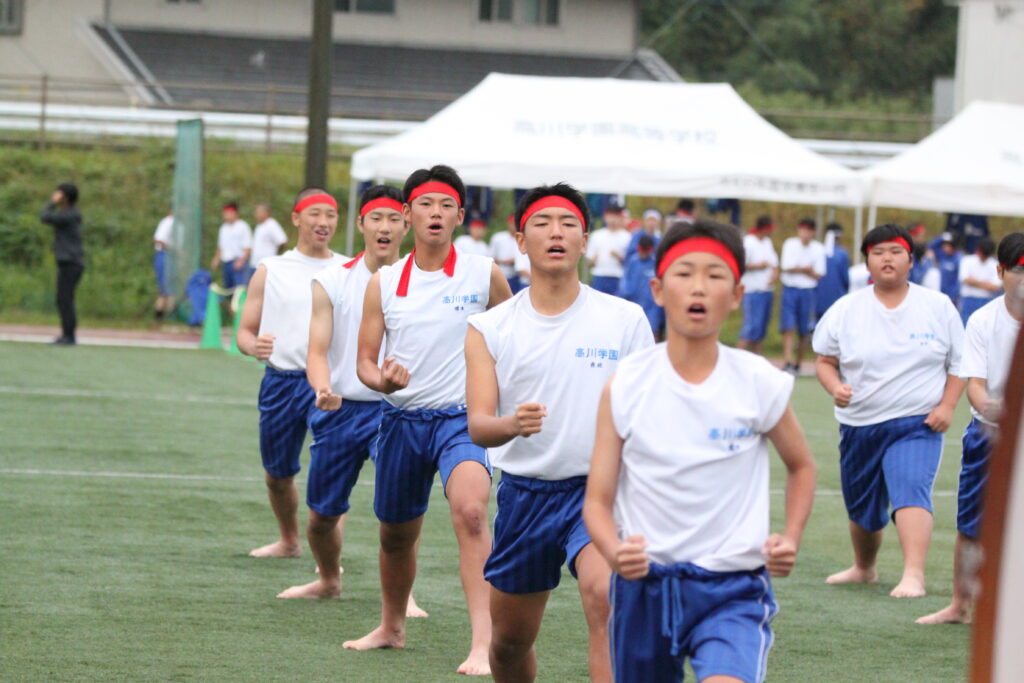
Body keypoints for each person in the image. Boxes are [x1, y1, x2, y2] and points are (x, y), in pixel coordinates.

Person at [583, 219, 817, 682]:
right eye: (685, 272)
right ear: (657, 289)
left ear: (736, 295)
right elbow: (596, 500)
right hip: (645, 588)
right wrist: (613, 551)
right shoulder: (626, 384)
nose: (699, 287)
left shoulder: (758, 381)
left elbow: (802, 466)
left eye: (715, 275)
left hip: (733, 588)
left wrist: (790, 537)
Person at [465, 184, 653, 681]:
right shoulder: (490, 327)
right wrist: (512, 424)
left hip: (601, 493)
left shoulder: (625, 320)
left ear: (584, 241)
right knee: (508, 644)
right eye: (542, 223)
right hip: (525, 497)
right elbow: (479, 426)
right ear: (520, 241)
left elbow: (647, 415)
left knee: (605, 597)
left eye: (568, 224)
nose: (556, 233)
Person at [344, 165, 513, 675]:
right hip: (401, 421)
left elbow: (517, 337)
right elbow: (365, 362)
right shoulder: (384, 282)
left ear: (459, 216)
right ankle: (391, 627)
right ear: (407, 214)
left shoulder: (484, 273)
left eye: (445, 206)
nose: (435, 214)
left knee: (472, 512)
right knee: (395, 533)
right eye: (425, 205)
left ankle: (484, 645)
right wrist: (382, 381)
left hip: (462, 421)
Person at [279, 184, 426, 615]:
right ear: (361, 224)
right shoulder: (332, 281)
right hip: (340, 410)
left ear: (406, 225)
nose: (385, 227)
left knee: (400, 516)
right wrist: (322, 387)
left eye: (394, 219)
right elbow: (317, 350)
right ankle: (328, 580)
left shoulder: (423, 284)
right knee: (321, 517)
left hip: (396, 412)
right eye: (376, 218)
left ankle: (403, 596)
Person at [813, 223, 964, 598]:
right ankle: (864, 568)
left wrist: (947, 405)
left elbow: (960, 363)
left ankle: (914, 575)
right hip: (860, 423)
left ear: (911, 261)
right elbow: (825, 361)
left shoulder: (937, 306)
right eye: (877, 252)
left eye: (896, 252)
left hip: (917, 422)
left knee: (910, 488)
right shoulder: (846, 309)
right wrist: (835, 387)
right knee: (862, 507)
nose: (887, 259)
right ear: (867, 262)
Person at [917, 232, 1023, 624]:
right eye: (1019, 270)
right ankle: (960, 605)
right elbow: (975, 384)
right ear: (1000, 272)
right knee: (971, 525)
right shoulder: (982, 320)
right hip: (990, 433)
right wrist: (992, 407)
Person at [236, 189, 346, 559]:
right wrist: (253, 346)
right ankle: (289, 541)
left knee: (331, 472)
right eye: (315, 213)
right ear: (296, 219)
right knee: (277, 475)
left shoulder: (348, 269)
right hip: (280, 383)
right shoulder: (271, 269)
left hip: (328, 384)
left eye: (331, 214)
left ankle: (328, 561)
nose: (324, 222)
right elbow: (244, 332)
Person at [40, 183, 85, 345]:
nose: (56, 194)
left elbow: (44, 217)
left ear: (65, 197)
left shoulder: (69, 215)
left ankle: (69, 336)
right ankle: (67, 334)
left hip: (71, 262)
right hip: (69, 261)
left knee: (64, 299)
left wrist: (52, 203)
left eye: (59, 193)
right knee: (64, 299)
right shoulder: (68, 213)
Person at [779, 218, 825, 374]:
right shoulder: (790, 244)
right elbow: (786, 267)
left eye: (808, 231)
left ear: (813, 232)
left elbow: (819, 273)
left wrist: (800, 269)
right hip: (790, 289)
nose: (804, 234)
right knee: (788, 325)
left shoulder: (818, 249)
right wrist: (806, 269)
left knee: (804, 329)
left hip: (807, 291)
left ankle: (798, 362)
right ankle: (788, 360)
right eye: (802, 230)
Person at [737, 215, 779, 355]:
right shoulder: (748, 242)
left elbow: (774, 263)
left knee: (761, 328)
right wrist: (757, 266)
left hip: (766, 290)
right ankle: (738, 356)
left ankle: (756, 358)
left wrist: (774, 274)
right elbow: (741, 265)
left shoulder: (767, 242)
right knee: (751, 327)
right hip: (752, 291)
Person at [618, 234, 664, 338]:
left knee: (653, 333)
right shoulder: (633, 261)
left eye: (645, 251)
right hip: (634, 304)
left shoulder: (655, 264)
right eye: (641, 250)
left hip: (652, 307)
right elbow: (625, 283)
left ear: (650, 250)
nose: (642, 254)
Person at [586, 203, 631, 295]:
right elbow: (588, 262)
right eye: (610, 216)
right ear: (605, 217)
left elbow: (630, 263)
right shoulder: (596, 236)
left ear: (620, 218)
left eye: (615, 216)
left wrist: (619, 257)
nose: (612, 219)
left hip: (617, 276)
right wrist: (594, 259)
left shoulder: (627, 237)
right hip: (599, 275)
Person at [958, 236, 1002, 324]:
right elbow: (965, 279)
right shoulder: (967, 260)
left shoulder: (994, 264)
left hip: (986, 300)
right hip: (968, 299)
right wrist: (986, 284)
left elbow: (994, 287)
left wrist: (974, 281)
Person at [211, 202, 253, 289]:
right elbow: (221, 247)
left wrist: (241, 261)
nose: (226, 215)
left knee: (239, 289)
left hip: (238, 263)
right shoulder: (223, 228)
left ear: (235, 213)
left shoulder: (243, 226)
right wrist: (216, 259)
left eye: (228, 213)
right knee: (228, 289)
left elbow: (248, 247)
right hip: (226, 263)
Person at [815, 222, 851, 319]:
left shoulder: (818, 250)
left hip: (819, 297)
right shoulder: (842, 254)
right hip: (838, 296)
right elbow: (846, 278)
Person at [490, 214, 521, 293]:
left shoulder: (521, 239)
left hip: (516, 276)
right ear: (508, 224)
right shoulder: (498, 238)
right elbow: (490, 257)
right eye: (512, 224)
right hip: (500, 274)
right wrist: (504, 262)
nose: (513, 226)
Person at [251, 203, 288, 268]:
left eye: (258, 212)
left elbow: (282, 241)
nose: (256, 214)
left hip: (267, 265)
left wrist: (275, 255)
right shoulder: (259, 226)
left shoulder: (271, 224)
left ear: (266, 212)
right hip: (256, 264)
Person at [153, 211, 175, 321]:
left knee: (170, 287)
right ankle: (161, 315)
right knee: (165, 288)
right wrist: (173, 249)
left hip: (171, 256)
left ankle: (167, 314)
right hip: (165, 255)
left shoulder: (177, 224)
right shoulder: (168, 222)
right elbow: (158, 240)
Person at [930, 232, 962, 306]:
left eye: (947, 245)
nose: (944, 247)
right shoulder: (942, 255)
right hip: (941, 294)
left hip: (953, 297)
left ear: (953, 246)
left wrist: (954, 296)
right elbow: (931, 246)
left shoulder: (959, 258)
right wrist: (943, 236)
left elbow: (959, 280)